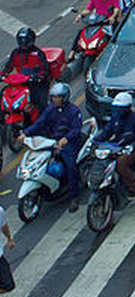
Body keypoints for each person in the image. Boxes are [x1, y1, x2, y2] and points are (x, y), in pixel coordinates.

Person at [21, 83, 83, 211]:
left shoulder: (74, 111)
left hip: (70, 142)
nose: (55, 100)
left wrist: (66, 139)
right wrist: (25, 133)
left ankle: (74, 196)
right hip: (53, 141)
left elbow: (76, 129)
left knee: (70, 166)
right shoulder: (50, 110)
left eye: (57, 97)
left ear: (64, 97)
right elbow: (40, 123)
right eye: (53, 97)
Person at [95, 92, 135, 197]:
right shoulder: (116, 118)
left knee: (121, 164)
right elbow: (107, 131)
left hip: (133, 151)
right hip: (117, 147)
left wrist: (132, 147)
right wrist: (95, 140)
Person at [3, 28, 52, 116]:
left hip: (37, 83)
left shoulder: (38, 53)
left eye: (25, 41)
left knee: (41, 104)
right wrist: (2, 75)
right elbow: (8, 66)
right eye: (21, 41)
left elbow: (45, 69)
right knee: (4, 93)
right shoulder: (16, 52)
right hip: (21, 82)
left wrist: (38, 76)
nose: (23, 43)